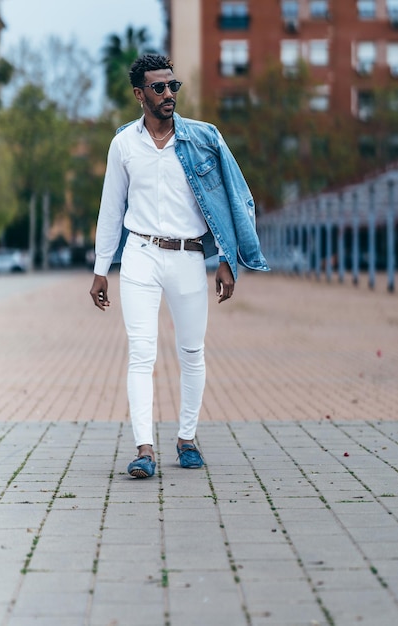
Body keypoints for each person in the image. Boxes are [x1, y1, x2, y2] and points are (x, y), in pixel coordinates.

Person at [90, 54, 269, 479]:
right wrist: (101, 268)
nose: (169, 94)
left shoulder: (204, 138)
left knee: (191, 351)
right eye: (158, 88)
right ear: (140, 94)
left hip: (189, 256)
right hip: (140, 255)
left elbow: (233, 199)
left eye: (173, 86)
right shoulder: (123, 145)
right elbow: (111, 210)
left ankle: (186, 439)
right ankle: (144, 450)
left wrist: (227, 259)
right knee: (141, 352)